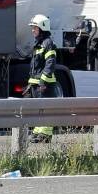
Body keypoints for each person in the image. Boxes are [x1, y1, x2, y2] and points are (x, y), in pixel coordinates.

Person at [24, 12, 60, 140]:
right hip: (37, 83)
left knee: (45, 109)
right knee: (38, 109)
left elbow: (50, 63)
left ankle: (45, 134)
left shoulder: (48, 43)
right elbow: (35, 66)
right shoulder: (38, 43)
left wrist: (43, 82)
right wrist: (31, 83)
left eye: (35, 27)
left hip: (45, 83)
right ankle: (38, 131)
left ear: (42, 28)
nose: (33, 30)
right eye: (32, 28)